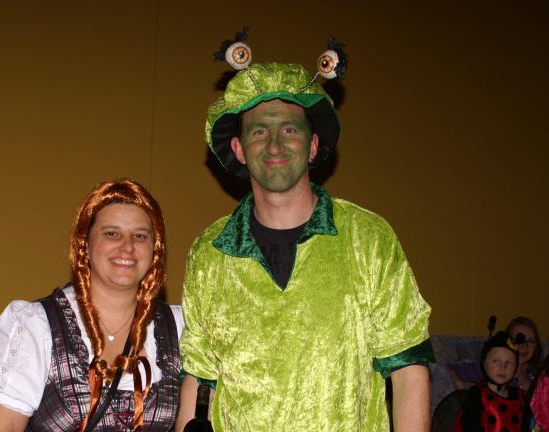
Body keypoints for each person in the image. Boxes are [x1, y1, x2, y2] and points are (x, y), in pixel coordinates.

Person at [176, 31, 433, 431]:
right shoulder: (209, 253)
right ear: (239, 149)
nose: (275, 144)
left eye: (290, 130)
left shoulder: (368, 239)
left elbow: (407, 367)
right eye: (259, 131)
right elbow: (199, 378)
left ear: (313, 145)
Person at [0, 179, 183, 431]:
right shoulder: (36, 325)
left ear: (155, 248)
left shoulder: (178, 327)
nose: (128, 247)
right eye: (112, 233)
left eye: (140, 236)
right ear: (84, 244)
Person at [454, 331, 526, 431]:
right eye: (495, 361)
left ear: (516, 368)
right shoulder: (476, 395)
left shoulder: (521, 398)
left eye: (509, 363)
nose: (502, 367)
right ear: (484, 363)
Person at [507, 316, 544, 392]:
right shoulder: (498, 374)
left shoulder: (536, 375)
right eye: (519, 340)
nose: (524, 346)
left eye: (530, 341)